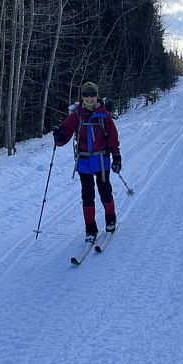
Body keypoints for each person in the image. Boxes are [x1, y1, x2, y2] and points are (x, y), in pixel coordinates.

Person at [53, 81, 122, 243]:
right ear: (82, 97)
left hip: (101, 159)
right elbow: (65, 134)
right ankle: (90, 229)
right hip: (84, 160)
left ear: (97, 97)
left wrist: (116, 156)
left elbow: (113, 137)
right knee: (87, 195)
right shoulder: (76, 115)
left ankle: (110, 219)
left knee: (105, 191)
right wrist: (59, 135)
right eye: (86, 96)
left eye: (92, 95)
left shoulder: (104, 115)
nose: (89, 99)